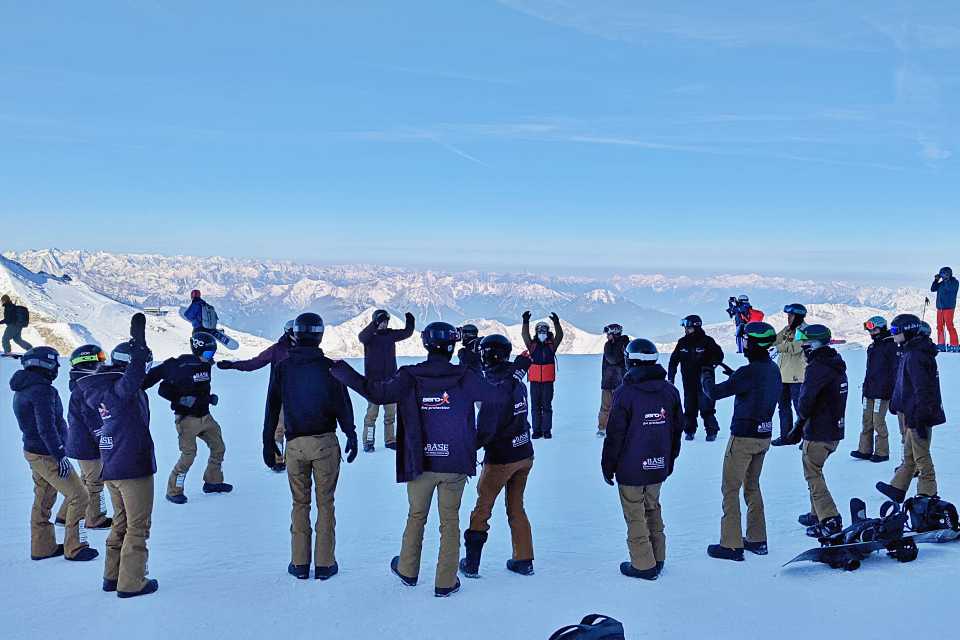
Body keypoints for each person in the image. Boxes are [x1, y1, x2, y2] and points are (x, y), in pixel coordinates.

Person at [331, 321, 500, 598]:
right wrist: (477, 440)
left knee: (416, 516)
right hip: (455, 461)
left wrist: (341, 369)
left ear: (425, 344)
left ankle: (408, 571)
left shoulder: (410, 375)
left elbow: (376, 392)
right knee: (450, 521)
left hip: (420, 462)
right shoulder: (465, 376)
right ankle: (445, 582)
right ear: (451, 346)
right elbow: (495, 398)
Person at [263, 313, 358, 580]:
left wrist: (268, 442)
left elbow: (272, 407)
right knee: (325, 503)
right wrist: (350, 433)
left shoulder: (283, 367)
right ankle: (325, 565)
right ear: (319, 335)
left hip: (294, 445)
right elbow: (343, 404)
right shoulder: (330, 367)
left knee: (299, 503)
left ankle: (300, 563)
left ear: (296, 334)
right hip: (325, 442)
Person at [78, 313, 158, 598]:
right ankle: (132, 583)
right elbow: (135, 376)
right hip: (133, 466)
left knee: (122, 522)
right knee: (138, 526)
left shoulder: (103, 388)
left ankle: (112, 576)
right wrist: (139, 341)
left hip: (113, 465)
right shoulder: (120, 390)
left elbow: (137, 381)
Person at [602, 338, 683, 580]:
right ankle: (658, 557)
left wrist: (608, 466)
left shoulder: (625, 393)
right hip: (658, 464)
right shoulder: (670, 390)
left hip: (631, 468)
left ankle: (643, 565)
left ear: (631, 361)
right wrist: (669, 461)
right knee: (653, 507)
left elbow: (614, 435)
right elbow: (676, 430)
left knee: (635, 513)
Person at [702, 322, 780, 561]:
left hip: (743, 438)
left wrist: (706, 373)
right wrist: (735, 377)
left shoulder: (749, 373)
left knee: (730, 489)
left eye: (745, 340)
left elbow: (713, 393)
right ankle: (757, 540)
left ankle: (731, 544)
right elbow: (754, 383)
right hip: (763, 436)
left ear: (753, 343)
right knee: (752, 486)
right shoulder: (772, 369)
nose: (743, 344)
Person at [12, 346, 98, 563]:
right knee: (80, 495)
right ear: (43, 364)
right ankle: (75, 547)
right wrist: (60, 454)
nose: (57, 367)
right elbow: (46, 427)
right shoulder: (42, 390)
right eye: (54, 362)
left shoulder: (24, 387)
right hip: (47, 454)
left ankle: (42, 546)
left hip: (34, 451)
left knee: (44, 497)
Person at [460, 334, 536, 579]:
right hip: (524, 452)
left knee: (482, 509)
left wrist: (467, 449)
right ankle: (524, 559)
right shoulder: (516, 382)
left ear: (489, 356)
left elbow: (485, 430)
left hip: (502, 457)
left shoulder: (494, 386)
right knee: (516, 507)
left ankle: (471, 563)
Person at [774, 325, 847, 538]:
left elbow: (805, 401)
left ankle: (829, 517)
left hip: (819, 431)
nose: (802, 347)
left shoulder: (817, 368)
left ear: (813, 344)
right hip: (833, 429)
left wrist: (799, 424)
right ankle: (817, 513)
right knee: (815, 470)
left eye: (804, 343)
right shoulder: (834, 364)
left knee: (813, 474)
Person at [143, 332, 231, 504]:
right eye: (207, 354)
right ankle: (174, 491)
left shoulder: (206, 366)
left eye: (212, 353)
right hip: (187, 420)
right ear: (197, 350)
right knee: (189, 455)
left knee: (218, 447)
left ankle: (213, 482)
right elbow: (162, 388)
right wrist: (180, 399)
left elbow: (198, 388)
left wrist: (209, 398)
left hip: (205, 417)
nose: (210, 357)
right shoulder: (181, 365)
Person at [876, 314, 946, 503]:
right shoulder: (909, 351)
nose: (892, 334)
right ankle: (897, 488)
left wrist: (920, 419)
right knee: (909, 456)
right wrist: (897, 404)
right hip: (912, 412)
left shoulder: (916, 355)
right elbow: (905, 385)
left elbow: (922, 390)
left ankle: (927, 493)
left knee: (921, 457)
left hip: (918, 415)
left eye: (895, 331)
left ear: (907, 331)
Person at [216, 320, 296, 472]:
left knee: (294, 429)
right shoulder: (277, 349)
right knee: (279, 429)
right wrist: (233, 365)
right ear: (288, 333)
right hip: (280, 395)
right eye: (294, 332)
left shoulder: (303, 349)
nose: (297, 335)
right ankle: (279, 460)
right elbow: (254, 363)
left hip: (299, 395)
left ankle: (294, 460)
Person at [54, 345, 113, 530]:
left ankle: (64, 516)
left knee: (84, 481)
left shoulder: (84, 383)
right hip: (86, 444)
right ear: (87, 363)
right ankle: (95, 519)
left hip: (81, 442)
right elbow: (91, 417)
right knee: (95, 480)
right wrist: (101, 437)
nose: (102, 364)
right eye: (99, 361)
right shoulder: (85, 386)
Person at [358, 309, 415, 452]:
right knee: (371, 416)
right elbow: (361, 337)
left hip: (390, 382)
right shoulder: (369, 337)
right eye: (381, 322)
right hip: (373, 384)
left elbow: (407, 333)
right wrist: (374, 324)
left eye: (385, 322)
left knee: (390, 415)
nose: (384, 324)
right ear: (376, 321)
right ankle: (368, 442)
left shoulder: (390, 335)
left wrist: (410, 320)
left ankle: (390, 441)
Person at [668, 315, 723, 441]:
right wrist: (671, 378)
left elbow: (719, 355)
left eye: (689, 328)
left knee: (706, 407)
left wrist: (710, 367)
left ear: (696, 327)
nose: (686, 330)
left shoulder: (707, 341)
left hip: (705, 382)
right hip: (688, 382)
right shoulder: (682, 343)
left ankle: (711, 431)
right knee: (689, 407)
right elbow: (673, 361)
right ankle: (689, 431)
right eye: (686, 328)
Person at [852, 317, 897, 463]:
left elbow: (894, 370)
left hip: (882, 392)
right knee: (866, 420)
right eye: (869, 329)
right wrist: (865, 389)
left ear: (882, 328)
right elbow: (869, 371)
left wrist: (891, 390)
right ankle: (864, 450)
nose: (871, 332)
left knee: (878, 422)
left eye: (874, 329)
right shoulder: (872, 347)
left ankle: (882, 452)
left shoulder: (890, 345)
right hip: (869, 390)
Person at [522, 311, 564, 439]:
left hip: (547, 381)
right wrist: (525, 322)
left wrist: (556, 323)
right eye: (539, 329)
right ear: (536, 331)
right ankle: (536, 430)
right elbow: (525, 335)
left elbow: (560, 335)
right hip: (534, 381)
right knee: (535, 407)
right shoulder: (532, 345)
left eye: (544, 329)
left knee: (546, 406)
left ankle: (546, 430)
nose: (542, 332)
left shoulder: (552, 345)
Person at [774, 303, 807, 439]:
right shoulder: (788, 329)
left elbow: (796, 347)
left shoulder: (803, 330)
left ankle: (805, 437)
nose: (788, 318)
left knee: (800, 409)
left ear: (798, 316)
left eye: (791, 316)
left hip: (797, 377)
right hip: (782, 376)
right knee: (783, 407)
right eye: (788, 315)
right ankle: (786, 436)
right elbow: (775, 339)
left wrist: (779, 347)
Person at [598, 324, 630, 438]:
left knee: (621, 408)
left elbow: (613, 359)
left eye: (608, 334)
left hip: (620, 382)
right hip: (607, 381)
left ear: (614, 333)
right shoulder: (609, 345)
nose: (607, 336)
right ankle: (602, 428)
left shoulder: (624, 345)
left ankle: (621, 429)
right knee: (605, 407)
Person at [931, 267, 959, 352]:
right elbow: (933, 289)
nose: (942, 276)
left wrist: (946, 280)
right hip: (940, 308)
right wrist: (936, 280)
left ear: (949, 274)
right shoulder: (942, 283)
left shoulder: (954, 282)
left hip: (948, 308)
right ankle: (941, 344)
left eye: (944, 274)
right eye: (941, 274)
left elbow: (949, 288)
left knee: (950, 326)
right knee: (940, 326)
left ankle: (955, 345)